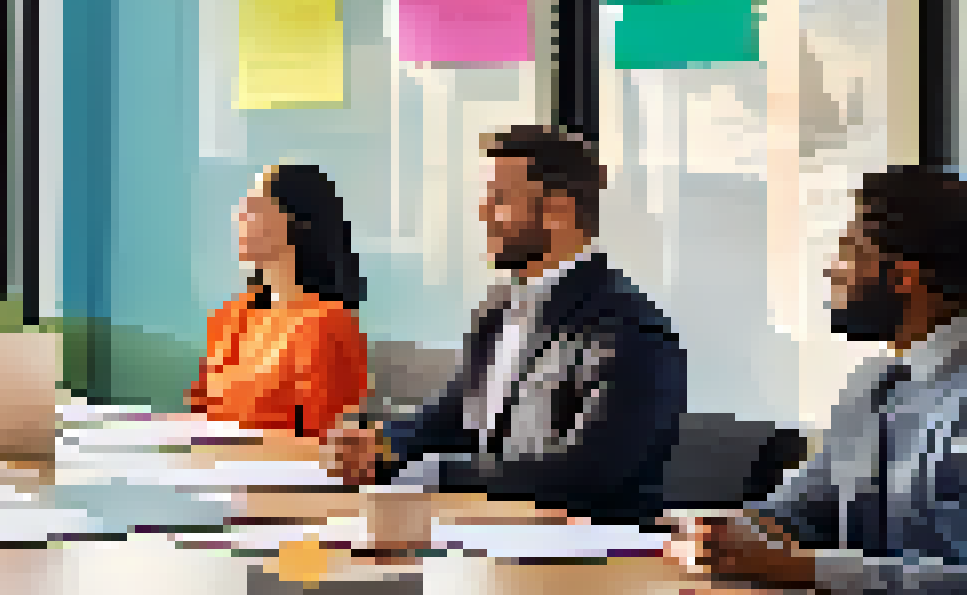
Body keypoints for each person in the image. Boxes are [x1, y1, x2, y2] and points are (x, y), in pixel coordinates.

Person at [322, 124, 687, 523]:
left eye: (499, 200)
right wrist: (381, 444)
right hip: (485, 532)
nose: (482, 214)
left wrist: (433, 474)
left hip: (585, 550)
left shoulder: (633, 332)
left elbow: (585, 476)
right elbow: (451, 417)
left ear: (558, 212)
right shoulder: (498, 307)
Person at [673, 166, 967, 595]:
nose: (831, 269)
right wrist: (724, 531)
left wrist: (807, 569)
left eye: (849, 251)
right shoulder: (873, 383)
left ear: (903, 276)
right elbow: (796, 510)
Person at [187, 164, 368, 437]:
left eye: (254, 208)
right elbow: (199, 417)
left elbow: (325, 446)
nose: (239, 217)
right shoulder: (234, 316)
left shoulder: (327, 325)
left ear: (297, 221)